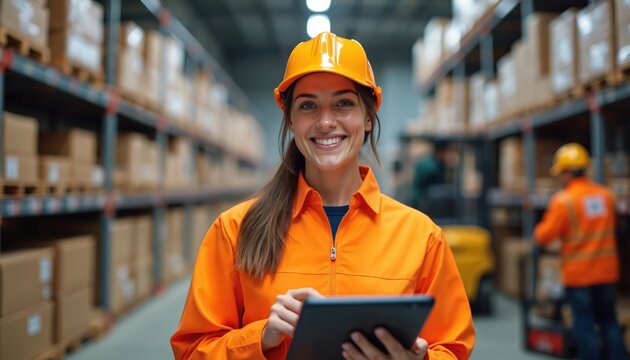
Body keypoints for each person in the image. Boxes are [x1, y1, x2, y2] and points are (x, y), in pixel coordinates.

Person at [170, 32, 474, 359]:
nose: (326, 121)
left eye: (344, 103)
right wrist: (260, 338)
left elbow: (454, 348)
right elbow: (192, 351)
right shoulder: (234, 231)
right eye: (308, 106)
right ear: (290, 120)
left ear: (368, 117)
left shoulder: (421, 237)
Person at [534, 143, 628, 360]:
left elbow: (542, 236)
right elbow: (614, 225)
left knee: (585, 326)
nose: (560, 178)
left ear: (567, 172)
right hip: (607, 272)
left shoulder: (563, 201)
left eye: (561, 173)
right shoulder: (607, 195)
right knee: (609, 322)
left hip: (579, 275)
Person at [410, 140, 448, 213]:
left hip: (420, 199)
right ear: (442, 151)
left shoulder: (431, 161)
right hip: (422, 201)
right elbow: (436, 188)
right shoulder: (431, 166)